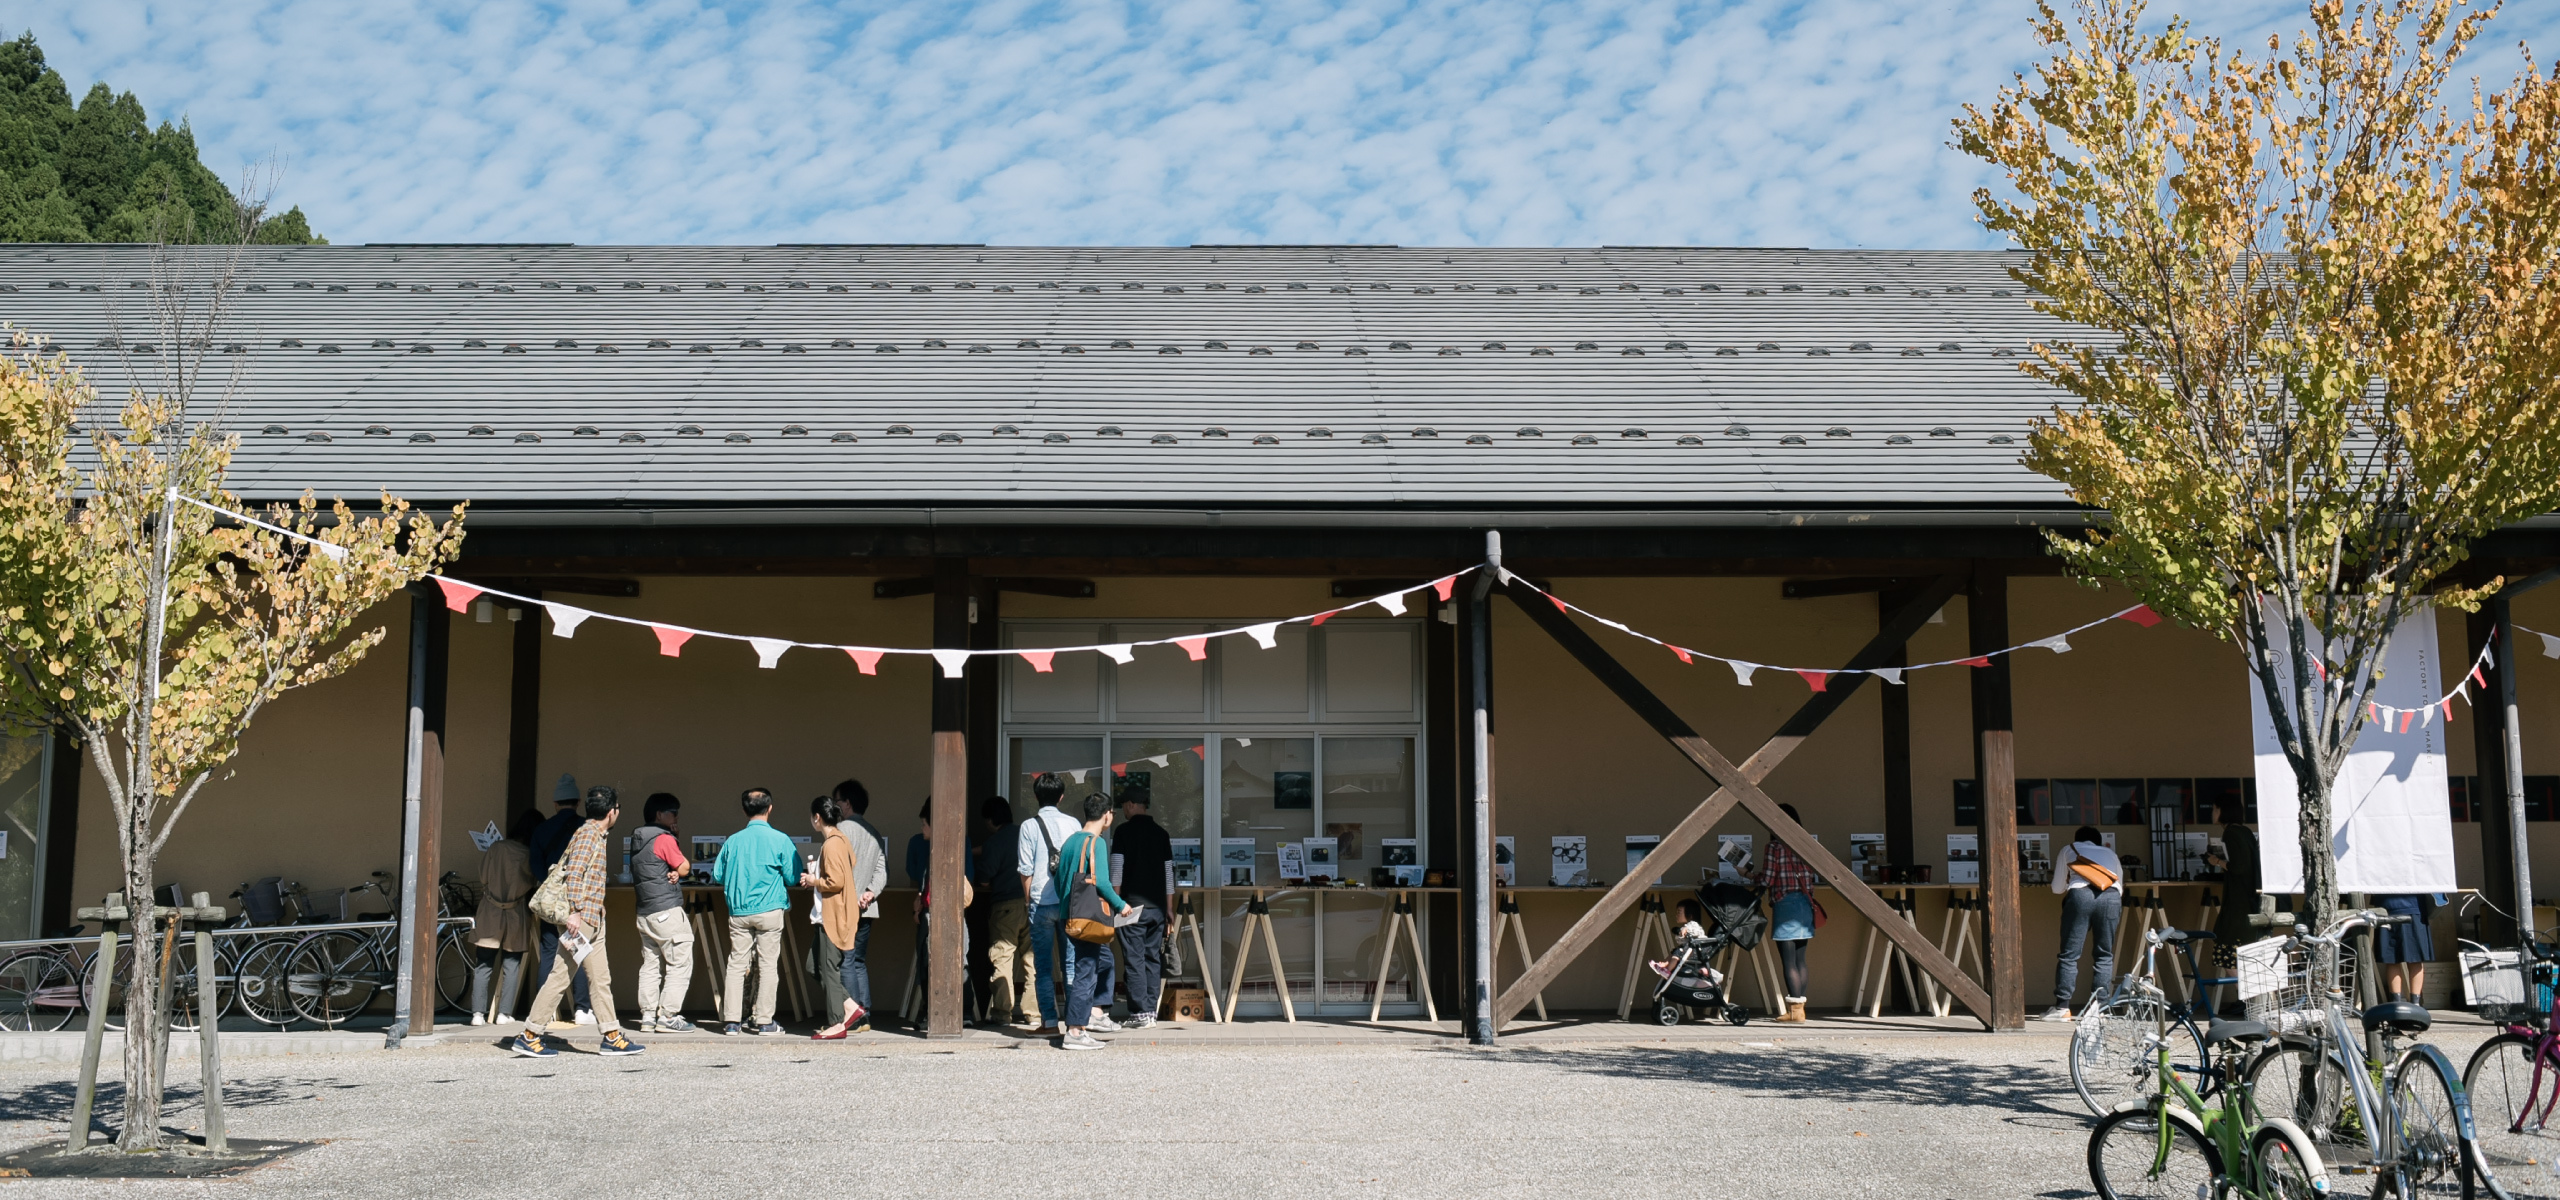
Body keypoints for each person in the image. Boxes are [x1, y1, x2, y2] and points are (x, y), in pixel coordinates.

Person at [504, 787, 645, 1057]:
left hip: (592, 918)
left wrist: (593, 908)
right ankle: (530, 1034)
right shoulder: (588, 834)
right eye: (617, 808)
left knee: (600, 979)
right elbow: (575, 874)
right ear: (612, 811)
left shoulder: (594, 834)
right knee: (561, 976)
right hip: (581, 921)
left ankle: (611, 1035)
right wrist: (576, 911)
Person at [712, 787, 797, 1035]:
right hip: (769, 910)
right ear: (770, 808)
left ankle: (731, 1021)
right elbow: (792, 877)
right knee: (767, 965)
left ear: (744, 810)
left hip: (738, 911)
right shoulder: (780, 840)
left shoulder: (733, 841)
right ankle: (764, 1021)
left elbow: (718, 875)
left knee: (736, 964)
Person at [1052, 792, 1128, 1051]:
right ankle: (1075, 1031)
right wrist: (1121, 906)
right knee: (1086, 970)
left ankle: (1094, 1013)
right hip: (1087, 917)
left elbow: (1059, 880)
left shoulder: (1070, 842)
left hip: (1069, 914)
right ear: (1107, 815)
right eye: (1112, 813)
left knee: (1103, 961)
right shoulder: (1096, 843)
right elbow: (1103, 883)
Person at [811, 778, 885, 1032]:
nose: (835, 806)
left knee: (844, 962)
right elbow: (882, 869)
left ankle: (853, 1016)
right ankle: (864, 1013)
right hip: (867, 907)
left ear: (847, 804)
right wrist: (870, 892)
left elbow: (837, 875)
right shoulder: (874, 833)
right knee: (858, 961)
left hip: (843, 909)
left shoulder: (839, 833)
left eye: (837, 801)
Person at [1016, 772, 1083, 1036]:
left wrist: (1028, 901)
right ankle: (1075, 1023)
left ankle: (1049, 1023)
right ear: (1061, 796)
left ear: (1035, 796)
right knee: (1071, 964)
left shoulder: (1028, 826)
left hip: (1041, 903)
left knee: (1042, 967)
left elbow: (1025, 870)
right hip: (1068, 903)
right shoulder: (1074, 824)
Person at [527, 777, 594, 1026]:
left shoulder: (541, 830)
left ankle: (544, 1012)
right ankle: (582, 1009)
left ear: (555, 803)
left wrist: (550, 883)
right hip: (578, 899)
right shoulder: (586, 828)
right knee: (577, 950)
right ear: (578, 802)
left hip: (551, 900)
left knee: (548, 951)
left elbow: (534, 865)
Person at [1744, 804, 1819, 1023]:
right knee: (1801, 960)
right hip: (1806, 903)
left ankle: (1795, 1011)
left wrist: (1748, 875)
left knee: (1788, 961)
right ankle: (1799, 1009)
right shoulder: (1806, 845)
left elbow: (1767, 879)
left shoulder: (1774, 847)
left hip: (1786, 905)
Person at [802, 796, 870, 1038]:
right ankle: (850, 1007)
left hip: (832, 915)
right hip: (833, 913)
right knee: (814, 966)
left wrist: (814, 880)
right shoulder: (840, 840)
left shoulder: (832, 844)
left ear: (817, 817)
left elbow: (836, 881)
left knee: (828, 968)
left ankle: (837, 1022)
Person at [2042, 825, 2126, 1021]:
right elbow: (2120, 886)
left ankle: (2062, 1008)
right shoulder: (2110, 854)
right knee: (2104, 955)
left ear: (2077, 840)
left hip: (2080, 895)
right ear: (2099, 841)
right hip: (2112, 897)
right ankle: (2099, 1008)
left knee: (2069, 955)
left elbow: (2056, 888)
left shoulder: (2069, 849)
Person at [631, 792, 697, 1033]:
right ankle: (668, 1016)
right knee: (680, 963)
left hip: (645, 912)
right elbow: (684, 867)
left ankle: (648, 1016)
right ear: (659, 814)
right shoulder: (664, 839)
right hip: (666, 911)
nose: (677, 817)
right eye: (673, 812)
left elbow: (656, 866)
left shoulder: (639, 838)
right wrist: (677, 864)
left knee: (650, 964)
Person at [468, 810, 540, 1026]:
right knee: (511, 964)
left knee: (483, 963)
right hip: (516, 911)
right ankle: (504, 1013)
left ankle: (477, 1014)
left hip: (490, 909)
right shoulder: (529, 854)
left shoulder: (496, 847)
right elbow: (532, 882)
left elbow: (483, 877)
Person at [1112, 785, 1172, 1028]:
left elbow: (1117, 870)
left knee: (1134, 959)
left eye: (1124, 806)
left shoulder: (1123, 832)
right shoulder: (1161, 834)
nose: (1123, 811)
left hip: (1130, 908)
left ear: (1130, 804)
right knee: (1152, 958)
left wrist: (1116, 902)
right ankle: (1150, 1013)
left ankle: (1139, 1014)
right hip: (1157, 908)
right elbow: (1169, 874)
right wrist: (1169, 908)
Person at [978, 796, 1035, 1027]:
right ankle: (1034, 1013)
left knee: (1002, 957)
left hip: (1005, 906)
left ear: (991, 820)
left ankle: (1002, 1013)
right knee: (1033, 961)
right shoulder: (1026, 835)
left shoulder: (994, 842)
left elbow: (984, 879)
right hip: (1032, 904)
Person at [2205, 796, 2263, 1017]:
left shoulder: (2231, 833)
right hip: (2249, 900)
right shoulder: (2245, 831)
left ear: (2222, 810)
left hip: (2238, 903)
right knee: (2244, 951)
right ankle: (2249, 999)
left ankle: (2245, 999)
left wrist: (2217, 862)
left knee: (2226, 948)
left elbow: (2239, 867)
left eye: (2214, 808)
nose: (2212, 813)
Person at [2374, 893, 2440, 1005]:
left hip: (2390, 905)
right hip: (2409, 906)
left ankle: (2396, 1004)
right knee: (2411, 959)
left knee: (2394, 960)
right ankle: (2413, 1004)